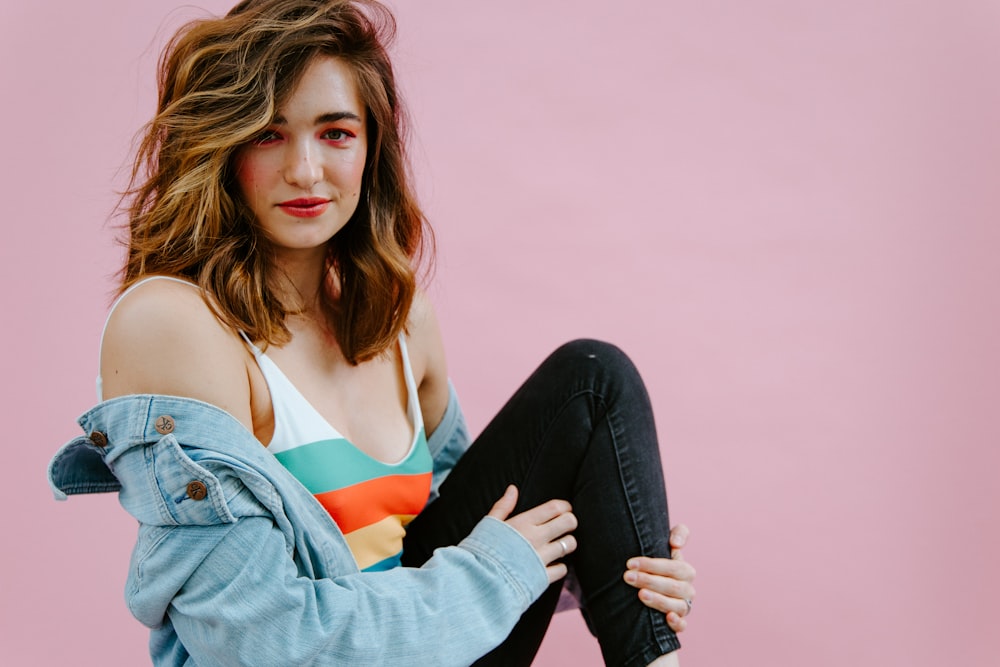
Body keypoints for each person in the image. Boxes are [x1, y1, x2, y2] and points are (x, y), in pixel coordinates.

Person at [47, 0, 697, 665]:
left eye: (335, 132)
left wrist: (609, 560)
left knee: (591, 380)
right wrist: (503, 571)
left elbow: (477, 543)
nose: (305, 169)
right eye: (269, 133)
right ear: (221, 144)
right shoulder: (175, 325)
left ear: (371, 146)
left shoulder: (399, 317)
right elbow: (259, 638)